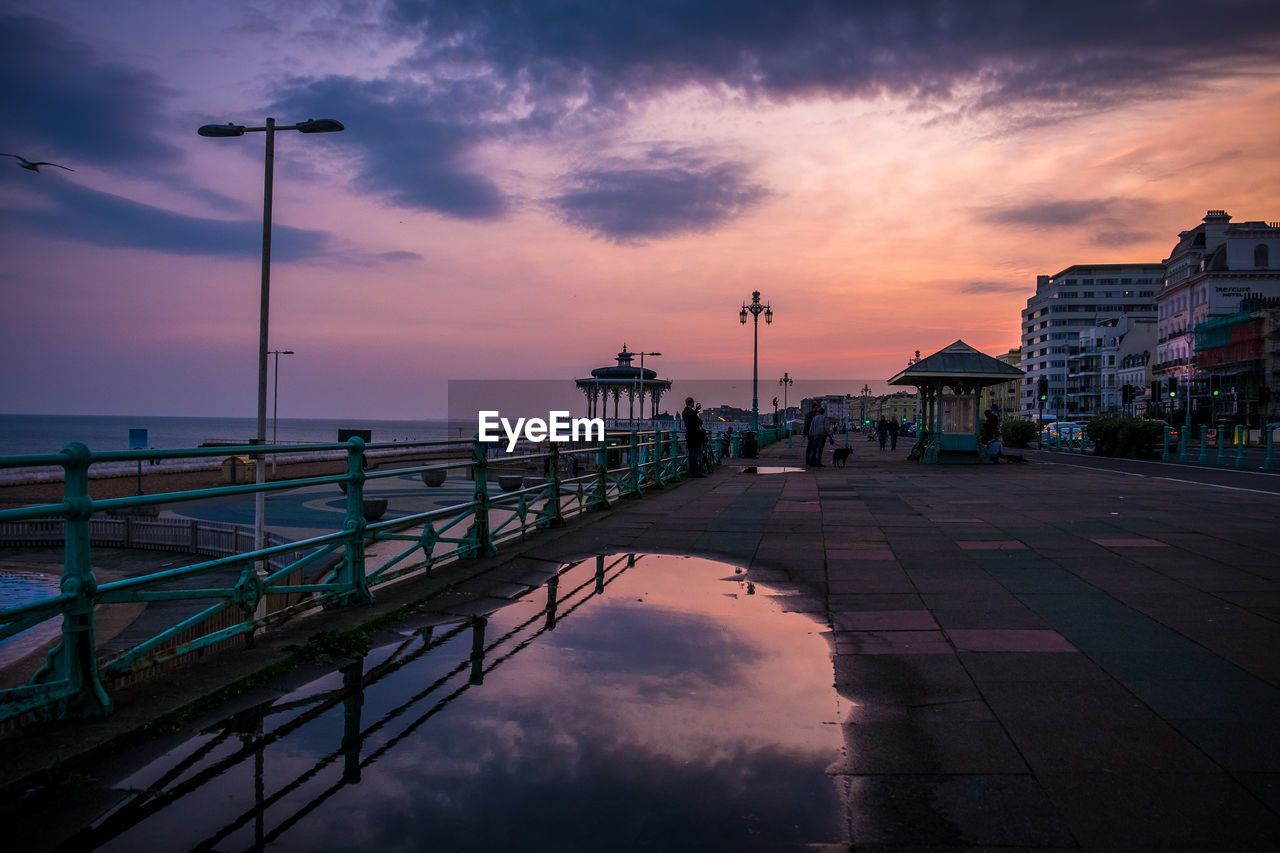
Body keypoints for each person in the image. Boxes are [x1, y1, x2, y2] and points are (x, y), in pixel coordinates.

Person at [682, 397, 706, 477]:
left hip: (690, 435)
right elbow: (695, 419)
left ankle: (694, 471)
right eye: (693, 403)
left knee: (692, 453)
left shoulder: (685, 412)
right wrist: (696, 410)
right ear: (691, 403)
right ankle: (694, 471)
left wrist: (695, 412)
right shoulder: (688, 412)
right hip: (693, 436)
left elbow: (696, 420)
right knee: (694, 453)